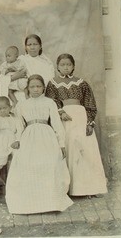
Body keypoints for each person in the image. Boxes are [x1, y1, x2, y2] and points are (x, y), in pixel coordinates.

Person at [6, 75, 73, 214]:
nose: (36, 89)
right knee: (28, 164)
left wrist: (61, 144)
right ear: (28, 89)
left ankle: (50, 201)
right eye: (32, 87)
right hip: (29, 136)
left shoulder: (49, 102)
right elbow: (19, 125)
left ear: (43, 87)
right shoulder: (22, 104)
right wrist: (18, 139)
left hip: (46, 135)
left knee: (50, 162)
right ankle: (31, 202)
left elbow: (56, 123)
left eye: (38, 86)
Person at [45, 54, 107, 197]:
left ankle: (88, 188)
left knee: (85, 150)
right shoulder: (52, 83)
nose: (65, 67)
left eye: (68, 64)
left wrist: (90, 122)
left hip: (80, 117)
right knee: (69, 148)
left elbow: (90, 103)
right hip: (64, 119)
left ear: (73, 66)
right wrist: (60, 112)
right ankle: (69, 188)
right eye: (62, 65)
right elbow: (51, 101)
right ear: (57, 66)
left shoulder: (82, 83)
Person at [0, 34, 54, 102]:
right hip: (20, 96)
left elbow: (50, 83)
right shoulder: (19, 60)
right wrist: (13, 77)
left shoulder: (47, 63)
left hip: (40, 95)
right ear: (25, 47)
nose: (32, 47)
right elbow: (2, 78)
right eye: (29, 45)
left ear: (40, 46)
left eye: (35, 44)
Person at [0, 96, 22, 190]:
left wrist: (17, 140)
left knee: (13, 159)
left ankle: (10, 182)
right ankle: (0, 179)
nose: (2, 111)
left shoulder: (14, 118)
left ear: (10, 108)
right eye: (0, 109)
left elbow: (19, 130)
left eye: (5, 108)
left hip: (11, 140)